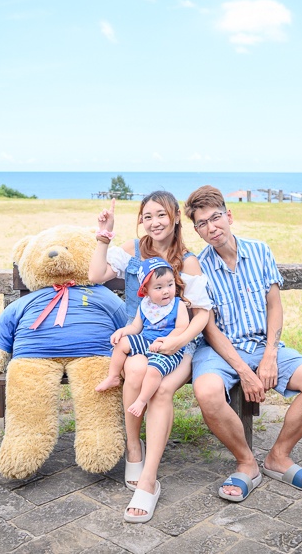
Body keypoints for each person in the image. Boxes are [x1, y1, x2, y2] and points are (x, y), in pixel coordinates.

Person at [184, 185, 302, 502]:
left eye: (215, 218)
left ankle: (278, 456)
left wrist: (269, 356)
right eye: (201, 223)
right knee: (207, 391)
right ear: (196, 230)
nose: (211, 228)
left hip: (262, 345)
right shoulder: (199, 267)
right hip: (219, 350)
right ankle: (246, 463)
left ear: (229, 216)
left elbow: (274, 306)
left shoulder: (261, 251)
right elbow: (209, 328)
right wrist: (244, 370)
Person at [88, 192, 212, 523]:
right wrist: (105, 234)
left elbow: (201, 313)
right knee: (134, 365)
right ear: (141, 221)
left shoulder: (187, 261)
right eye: (147, 216)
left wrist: (179, 341)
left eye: (161, 215)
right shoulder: (132, 250)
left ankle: (148, 480)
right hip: (140, 338)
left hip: (179, 344)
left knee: (159, 389)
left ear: (174, 218)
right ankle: (133, 447)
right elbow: (96, 274)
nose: (154, 222)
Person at [95, 257, 195, 418]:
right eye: (159, 287)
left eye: (170, 284)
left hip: (169, 349)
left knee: (153, 371)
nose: (166, 291)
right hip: (146, 341)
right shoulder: (145, 305)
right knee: (123, 343)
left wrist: (167, 342)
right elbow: (136, 327)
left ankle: (141, 400)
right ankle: (113, 377)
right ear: (146, 290)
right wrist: (122, 331)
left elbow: (182, 328)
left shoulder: (178, 304)